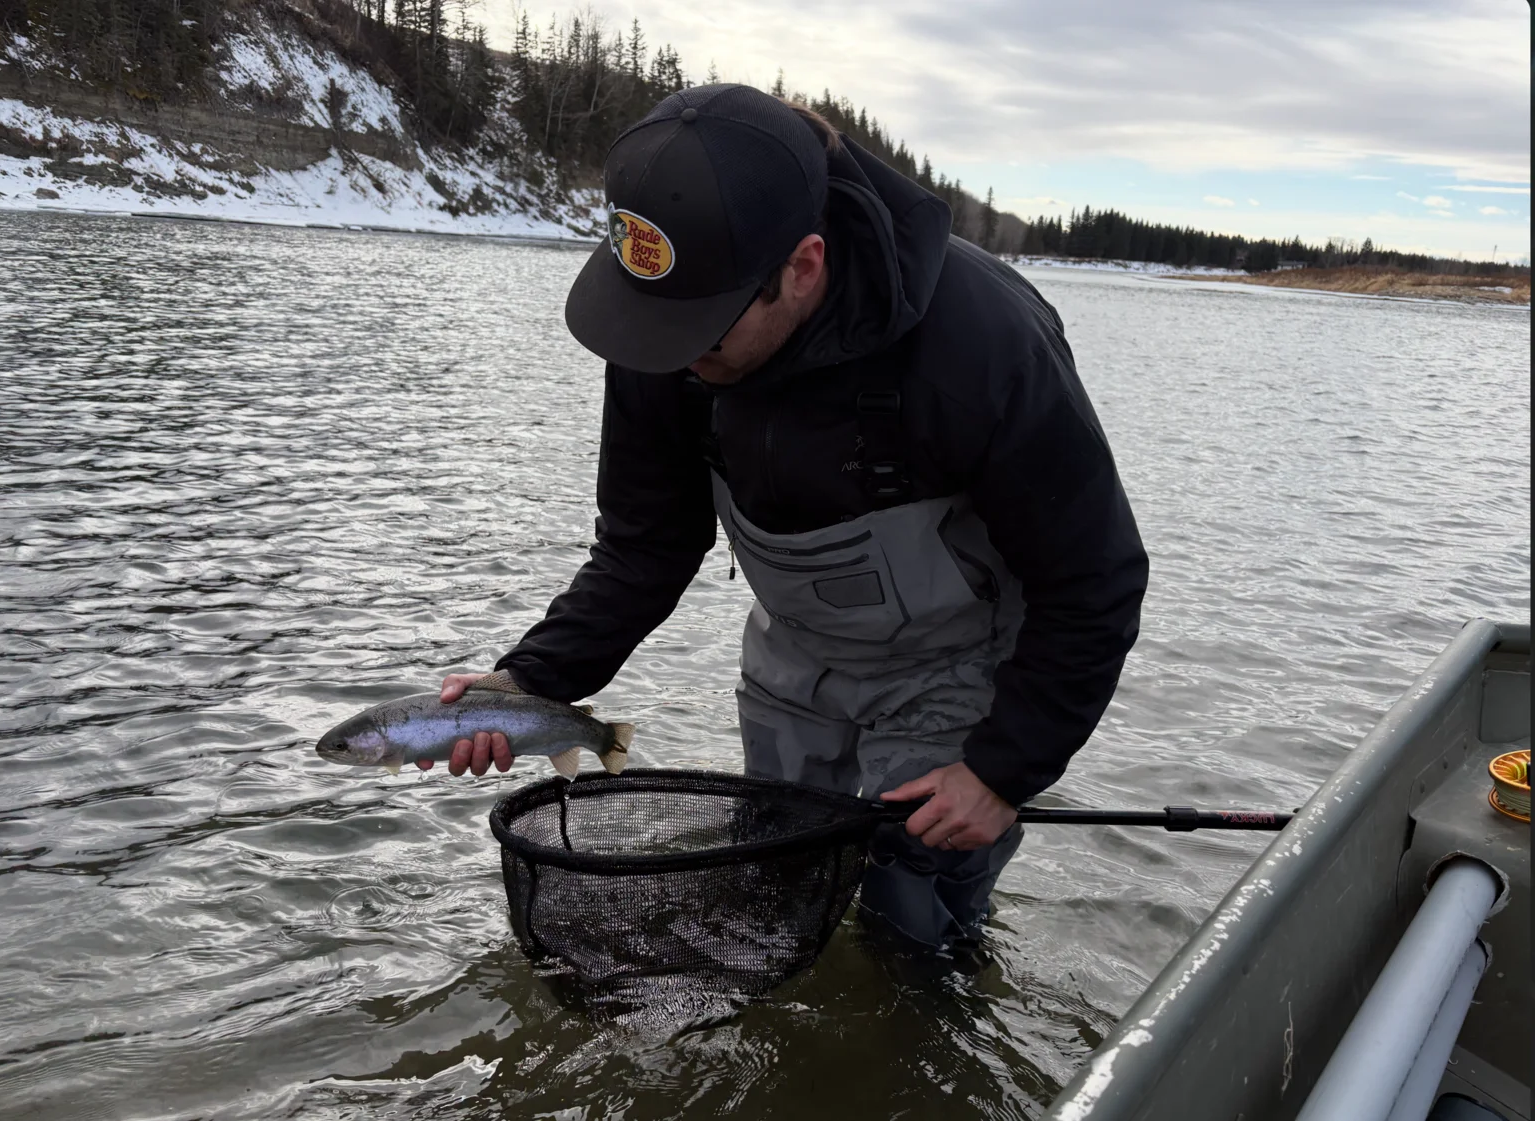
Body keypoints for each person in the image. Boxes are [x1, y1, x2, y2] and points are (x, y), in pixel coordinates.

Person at [418, 83, 1148, 953]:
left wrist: (1002, 770)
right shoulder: (664, 324)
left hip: (957, 664)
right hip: (795, 655)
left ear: (802, 268)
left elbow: (1093, 581)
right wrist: (534, 678)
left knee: (908, 915)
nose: (675, 359)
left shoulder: (984, 343)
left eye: (705, 336)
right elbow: (645, 546)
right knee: (773, 876)